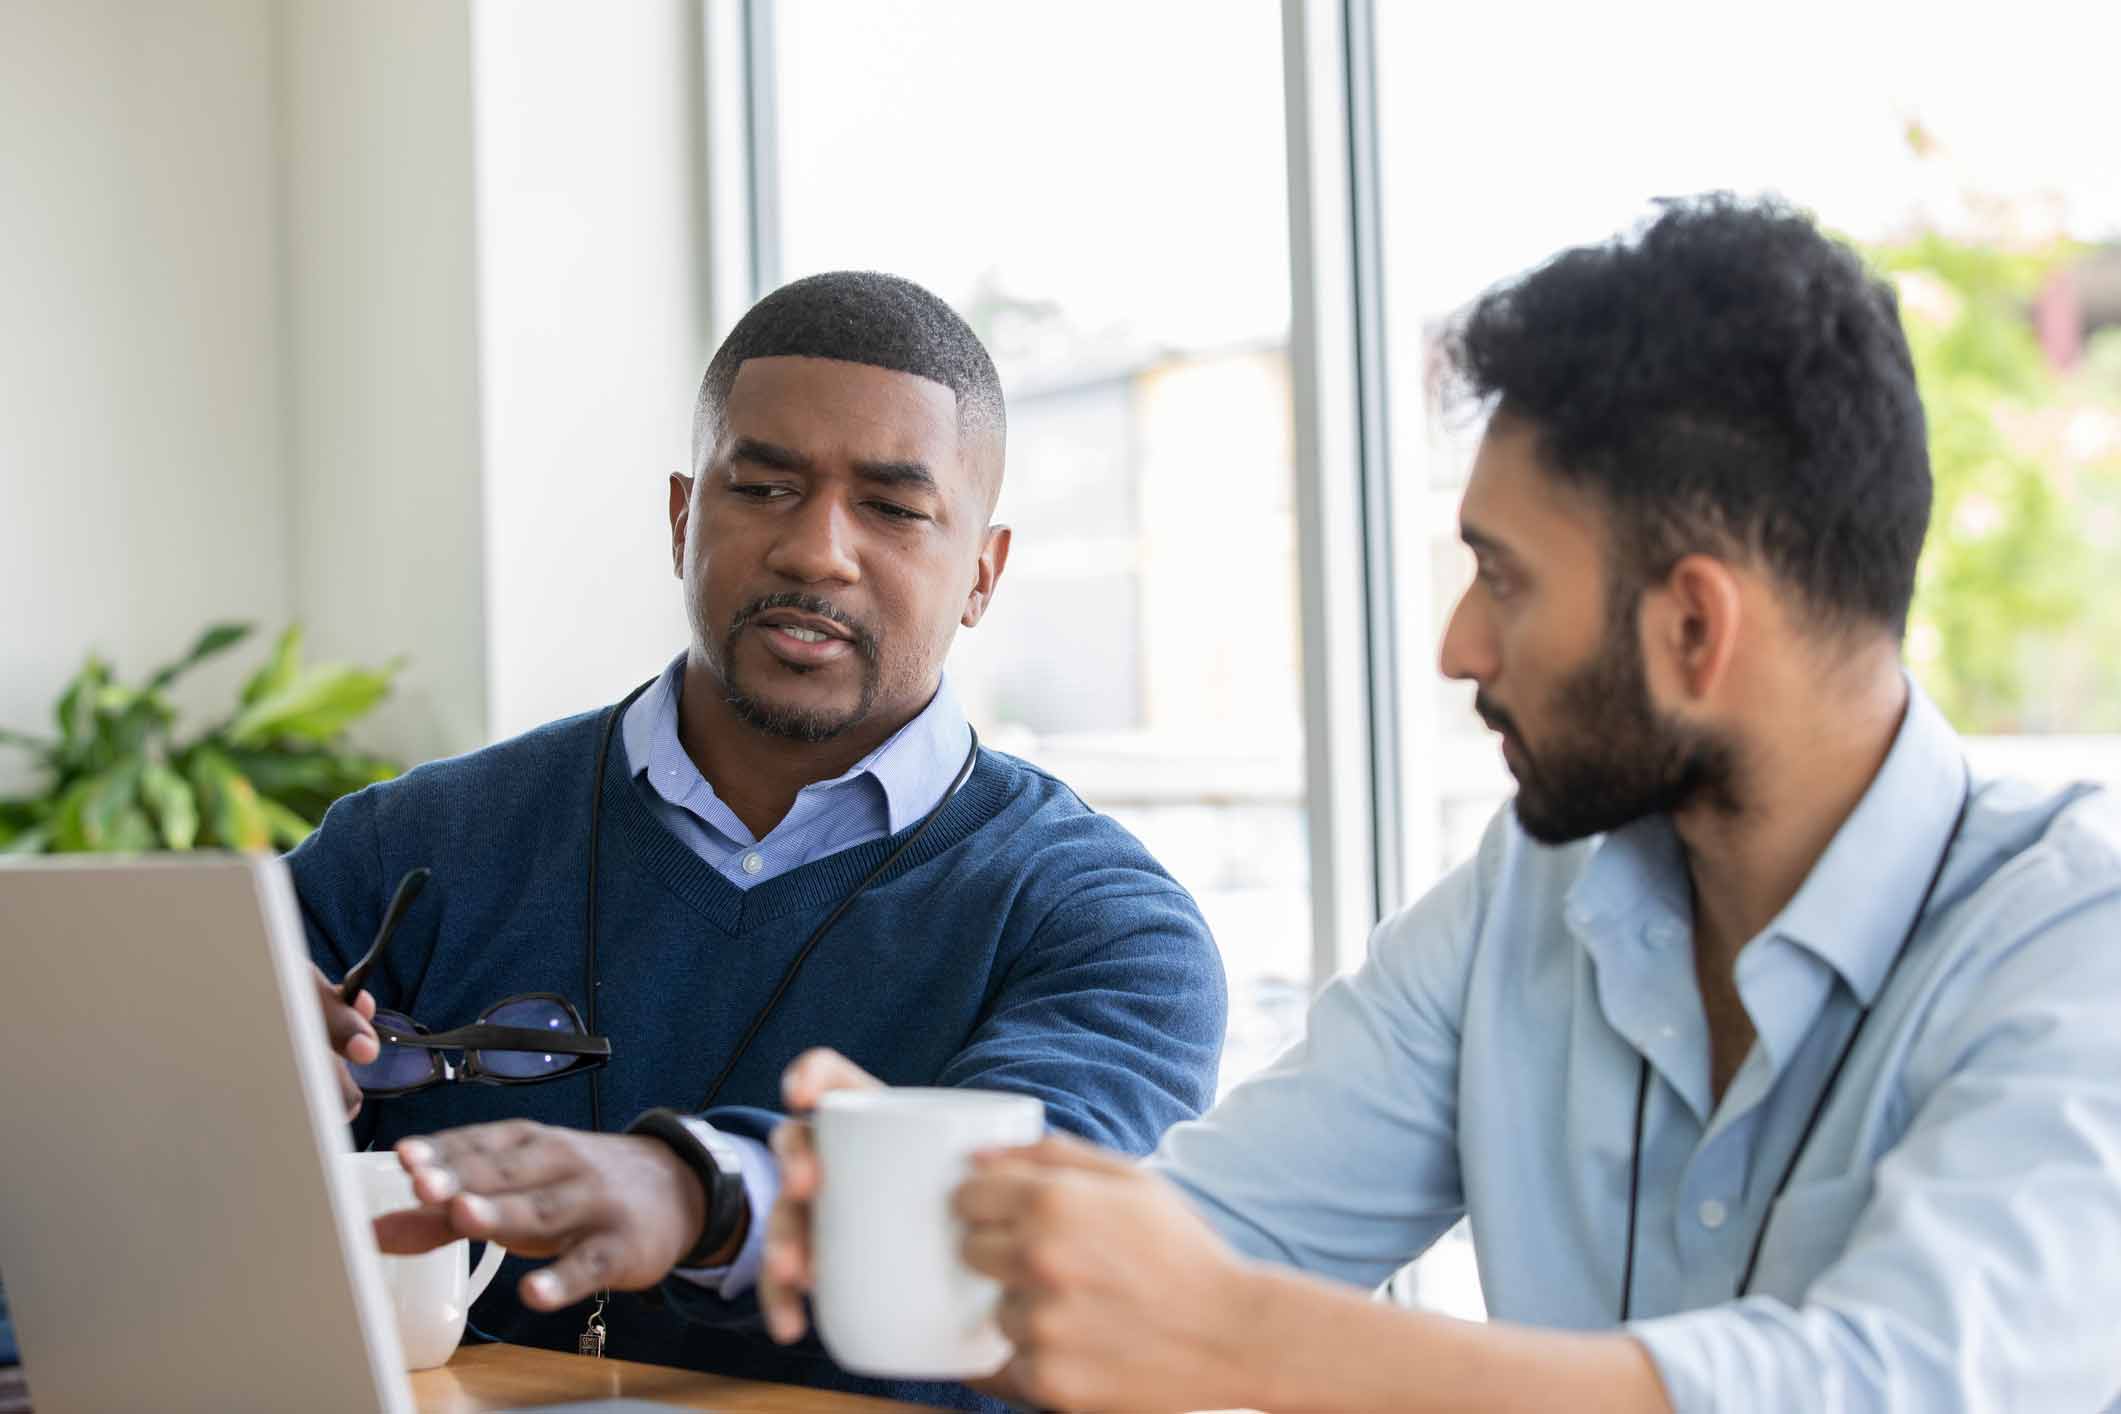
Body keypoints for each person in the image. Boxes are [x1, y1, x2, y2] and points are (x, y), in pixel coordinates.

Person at [764, 197, 2121, 1412]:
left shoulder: (2074, 953)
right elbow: (1212, 1236)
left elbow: (1889, 1383)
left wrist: (1237, 1334)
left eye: (1503, 577)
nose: (1459, 644)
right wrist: (921, 1238)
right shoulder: (1530, 898)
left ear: (1696, 626)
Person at [295, 271, 1227, 1409]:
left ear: (981, 574)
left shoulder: (1103, 927)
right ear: (686, 518)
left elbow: (1012, 1217)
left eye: (892, 507)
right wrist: (216, 1085)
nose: (817, 551)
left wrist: (691, 1187)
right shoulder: (406, 846)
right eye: (766, 486)